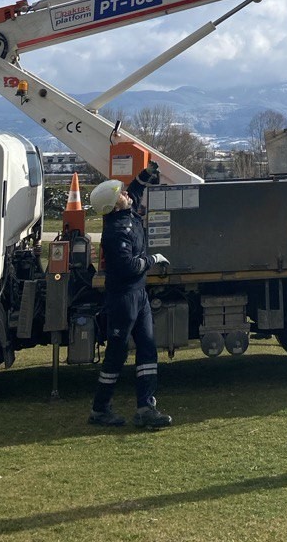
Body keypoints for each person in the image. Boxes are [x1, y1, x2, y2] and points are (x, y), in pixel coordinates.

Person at [88, 165, 173, 429]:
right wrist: (153, 259)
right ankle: (100, 409)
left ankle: (146, 408)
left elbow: (135, 189)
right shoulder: (116, 232)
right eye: (120, 193)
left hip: (139, 295)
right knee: (116, 353)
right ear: (114, 205)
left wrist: (146, 174)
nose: (126, 193)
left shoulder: (125, 210)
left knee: (147, 347)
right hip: (124, 298)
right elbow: (127, 267)